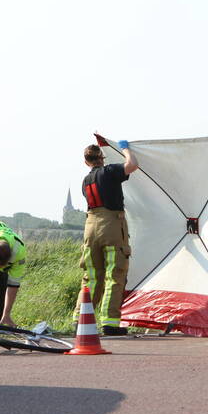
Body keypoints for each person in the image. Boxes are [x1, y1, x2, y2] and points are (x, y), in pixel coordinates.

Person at [79, 140, 139, 335]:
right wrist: (125, 149)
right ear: (102, 159)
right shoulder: (109, 171)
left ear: (86, 162)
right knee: (115, 274)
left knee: (91, 277)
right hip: (111, 226)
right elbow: (132, 165)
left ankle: (79, 319)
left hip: (90, 228)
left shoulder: (86, 181)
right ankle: (110, 323)